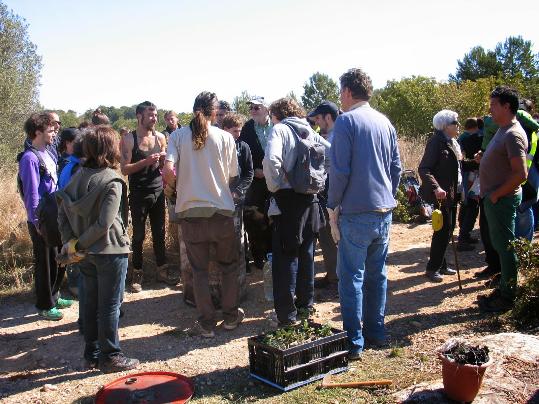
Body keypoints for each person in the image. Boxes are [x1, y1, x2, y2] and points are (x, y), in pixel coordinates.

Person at [328, 68, 401, 360]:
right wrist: (385, 192)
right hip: (383, 210)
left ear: (347, 92)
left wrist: (333, 205)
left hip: (356, 212)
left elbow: (340, 171)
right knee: (377, 275)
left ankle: (354, 342)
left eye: (340, 92)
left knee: (351, 277)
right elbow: (396, 168)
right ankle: (376, 332)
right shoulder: (384, 122)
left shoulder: (346, 121)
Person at [57, 125, 139, 373]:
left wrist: (72, 244)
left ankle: (91, 354)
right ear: (109, 148)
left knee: (89, 303)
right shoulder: (111, 180)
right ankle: (111, 356)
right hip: (110, 251)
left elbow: (62, 215)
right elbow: (105, 223)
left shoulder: (74, 178)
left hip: (84, 254)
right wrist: (79, 244)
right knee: (110, 306)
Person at [163, 91, 244, 338]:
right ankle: (230, 317)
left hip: (191, 214)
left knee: (198, 272)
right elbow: (232, 175)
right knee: (228, 266)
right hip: (221, 213)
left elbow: (168, 170)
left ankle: (206, 323)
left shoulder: (177, 136)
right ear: (214, 111)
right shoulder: (225, 137)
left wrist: (175, 191)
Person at [263, 97, 330, 326]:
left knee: (285, 258)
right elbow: (330, 155)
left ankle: (287, 316)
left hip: (287, 200)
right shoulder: (310, 131)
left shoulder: (280, 130)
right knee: (307, 255)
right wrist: (319, 182)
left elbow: (272, 160)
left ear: (276, 114)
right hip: (311, 201)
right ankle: (306, 307)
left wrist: (274, 187)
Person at [476, 86, 528, 312]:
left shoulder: (513, 133)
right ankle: (504, 286)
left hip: (502, 200)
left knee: (506, 248)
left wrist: (496, 194)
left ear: (507, 106)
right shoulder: (503, 129)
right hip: (495, 198)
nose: (490, 109)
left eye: (494, 105)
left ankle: (508, 297)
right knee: (500, 245)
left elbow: (521, 173)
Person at [18, 113, 72, 321]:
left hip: (55, 214)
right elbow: (31, 193)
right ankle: (45, 303)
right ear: (38, 132)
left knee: (59, 257)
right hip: (42, 219)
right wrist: (37, 222)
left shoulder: (47, 152)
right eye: (50, 130)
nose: (54, 133)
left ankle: (56, 295)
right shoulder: (29, 158)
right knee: (45, 261)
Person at [120, 101, 173, 292]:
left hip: (158, 191)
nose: (154, 118)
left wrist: (161, 162)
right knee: (139, 235)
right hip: (138, 193)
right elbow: (124, 169)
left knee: (160, 233)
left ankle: (162, 270)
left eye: (156, 115)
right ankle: (137, 272)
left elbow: (162, 166)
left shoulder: (160, 138)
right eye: (150, 115)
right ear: (139, 116)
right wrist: (146, 161)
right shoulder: (129, 139)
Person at [419, 110, 466, 282]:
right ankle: (432, 268)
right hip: (442, 195)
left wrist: (472, 162)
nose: (458, 125)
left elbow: (456, 168)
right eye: (455, 122)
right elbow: (424, 169)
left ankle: (442, 264)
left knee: (449, 228)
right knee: (442, 231)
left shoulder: (453, 142)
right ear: (446, 126)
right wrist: (436, 187)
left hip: (453, 193)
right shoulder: (436, 143)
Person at [308, 101, 339, 290]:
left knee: (333, 235)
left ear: (328, 117)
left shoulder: (333, 140)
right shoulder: (332, 136)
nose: (317, 123)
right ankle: (334, 276)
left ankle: (338, 279)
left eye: (318, 118)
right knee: (327, 235)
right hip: (329, 195)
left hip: (332, 195)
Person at [239, 96, 273, 269]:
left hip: (277, 181)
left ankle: (272, 254)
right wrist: (254, 170)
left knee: (274, 218)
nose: (253, 110)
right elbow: (243, 153)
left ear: (267, 109)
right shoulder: (247, 128)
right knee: (255, 218)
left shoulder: (277, 126)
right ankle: (258, 256)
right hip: (257, 180)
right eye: (251, 107)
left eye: (257, 107)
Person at [223, 113, 253, 282]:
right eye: (235, 131)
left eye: (239, 131)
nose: (238, 134)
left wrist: (239, 191)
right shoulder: (216, 146)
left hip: (237, 199)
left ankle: (242, 266)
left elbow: (248, 172)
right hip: (219, 199)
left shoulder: (243, 147)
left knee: (239, 234)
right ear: (225, 130)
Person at [457, 118, 482, 251]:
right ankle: (462, 238)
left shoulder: (461, 138)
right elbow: (465, 160)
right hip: (472, 176)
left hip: (467, 175)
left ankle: (464, 234)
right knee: (472, 206)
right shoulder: (475, 138)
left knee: (467, 204)